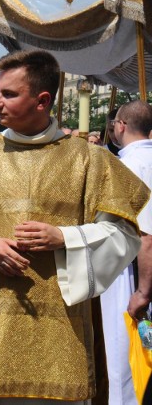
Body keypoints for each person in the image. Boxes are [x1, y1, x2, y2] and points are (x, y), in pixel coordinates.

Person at [0, 49, 149, 403]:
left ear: (42, 100)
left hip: (60, 331)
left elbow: (123, 234)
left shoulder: (89, 160)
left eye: (9, 94)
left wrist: (65, 237)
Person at [101, 100, 152, 405]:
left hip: (132, 274)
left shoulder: (124, 169)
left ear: (119, 126)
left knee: (126, 360)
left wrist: (143, 291)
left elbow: (145, 236)